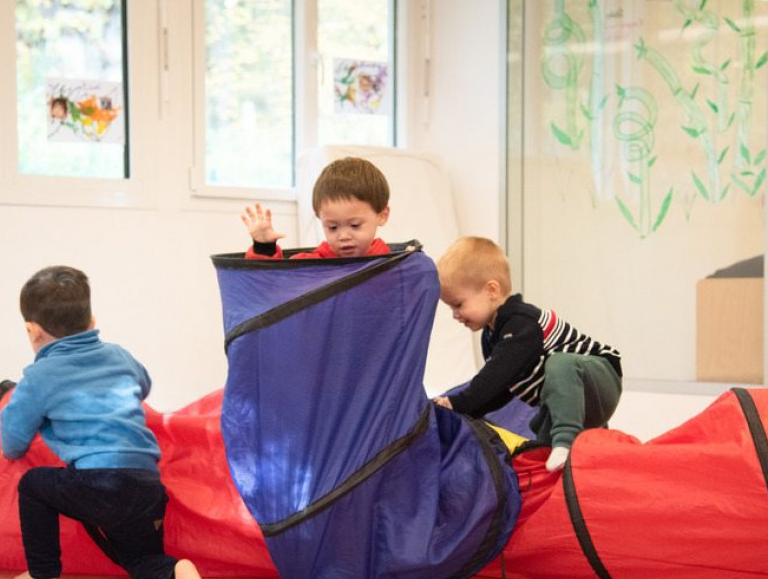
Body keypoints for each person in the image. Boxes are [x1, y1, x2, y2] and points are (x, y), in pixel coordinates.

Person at [0, 265, 205, 579]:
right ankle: (177, 571)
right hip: (147, 486)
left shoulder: (39, 378)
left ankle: (42, 574)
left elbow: (12, 444)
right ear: (92, 321)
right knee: (141, 562)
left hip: (98, 484)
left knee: (33, 485)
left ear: (32, 331)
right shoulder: (119, 356)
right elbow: (144, 385)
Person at [433, 237, 622, 472]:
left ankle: (565, 442)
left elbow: (495, 376)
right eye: (451, 308)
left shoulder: (521, 323)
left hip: (600, 380)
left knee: (560, 364)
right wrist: (460, 410)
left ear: (492, 290)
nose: (455, 315)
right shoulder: (491, 337)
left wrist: (458, 401)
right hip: (569, 403)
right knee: (540, 440)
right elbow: (501, 389)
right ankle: (562, 451)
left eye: (459, 305)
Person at [240, 157, 393, 259]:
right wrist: (264, 247)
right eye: (332, 227)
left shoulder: (394, 264)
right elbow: (274, 281)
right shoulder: (314, 263)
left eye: (355, 225)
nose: (343, 236)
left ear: (382, 215)